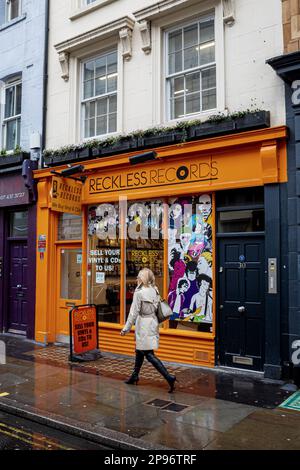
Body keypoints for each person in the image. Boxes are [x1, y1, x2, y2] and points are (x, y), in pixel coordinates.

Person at [120, 268, 177, 393]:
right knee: (139, 350)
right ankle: (135, 375)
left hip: (143, 324)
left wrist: (126, 328)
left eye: (139, 276)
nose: (137, 278)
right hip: (152, 322)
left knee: (148, 354)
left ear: (143, 278)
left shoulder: (139, 292)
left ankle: (169, 377)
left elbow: (133, 312)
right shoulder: (154, 289)